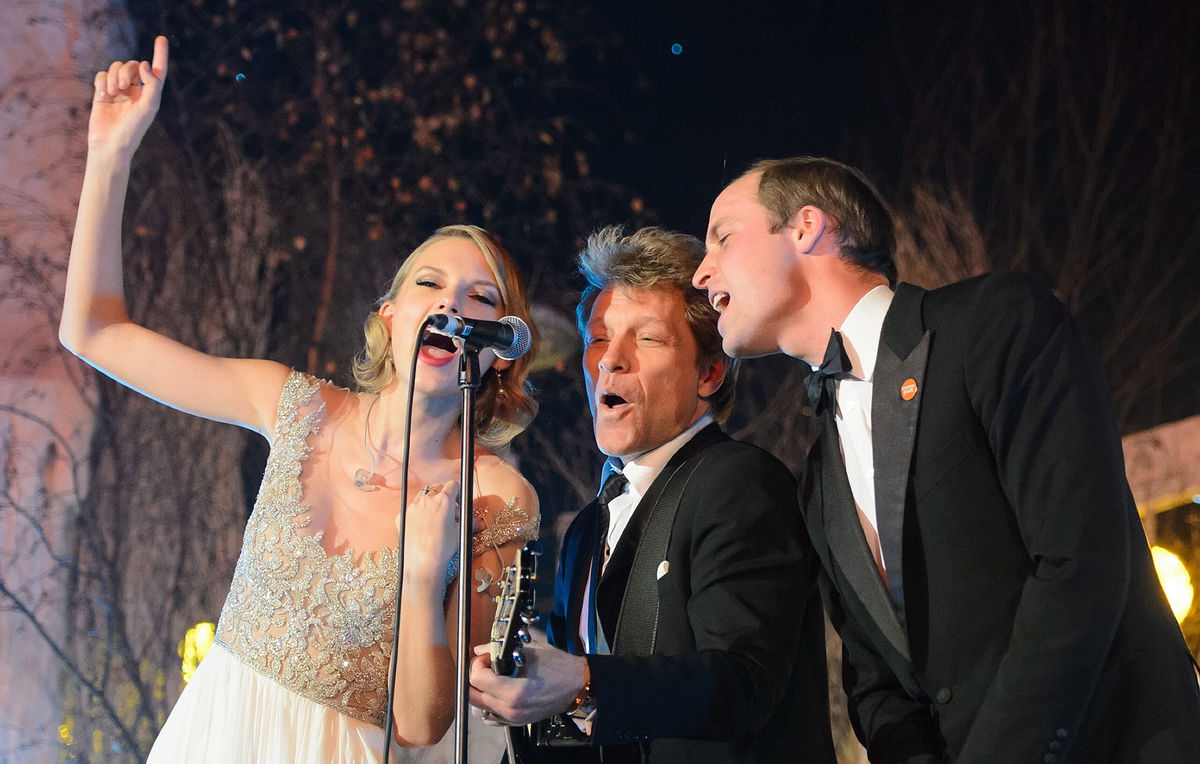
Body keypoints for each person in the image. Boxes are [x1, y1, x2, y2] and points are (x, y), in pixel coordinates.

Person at [60, 36, 540, 763]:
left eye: (480, 298)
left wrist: (418, 579)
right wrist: (109, 155)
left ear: (501, 345)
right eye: (429, 285)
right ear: (388, 315)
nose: (452, 305)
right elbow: (92, 330)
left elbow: (423, 725)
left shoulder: (495, 495)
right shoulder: (295, 406)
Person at [692, 156, 1200, 763]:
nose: (701, 274)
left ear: (807, 227)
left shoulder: (995, 323)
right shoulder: (817, 479)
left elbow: (1078, 560)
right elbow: (877, 683)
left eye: (722, 237)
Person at [468, 226, 836, 763]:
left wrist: (582, 679)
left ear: (709, 372)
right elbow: (580, 729)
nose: (611, 361)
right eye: (598, 338)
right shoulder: (584, 530)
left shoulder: (739, 484)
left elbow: (744, 683)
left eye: (647, 338)